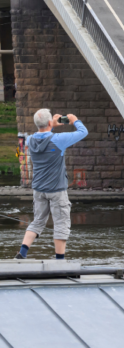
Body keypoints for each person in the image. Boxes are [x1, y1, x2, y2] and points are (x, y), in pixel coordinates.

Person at [16, 109, 88, 260]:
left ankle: (22, 253)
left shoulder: (30, 140)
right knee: (61, 223)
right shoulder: (59, 139)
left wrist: (51, 126)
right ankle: (59, 261)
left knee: (37, 221)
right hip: (57, 190)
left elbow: (44, 137)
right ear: (49, 122)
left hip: (39, 189)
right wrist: (74, 119)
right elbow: (83, 132)